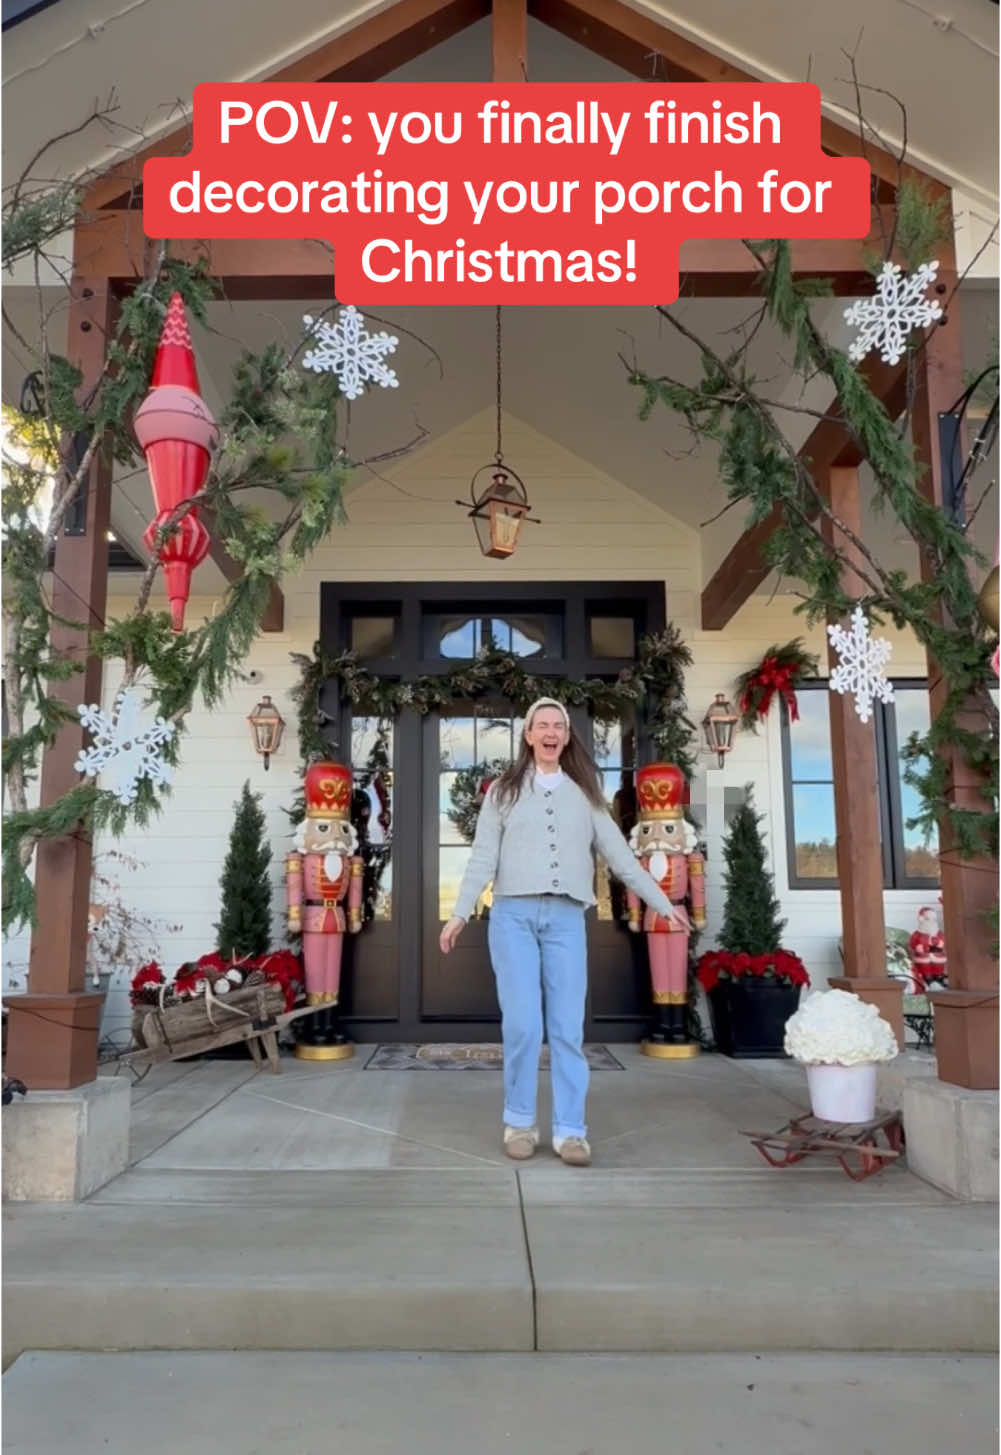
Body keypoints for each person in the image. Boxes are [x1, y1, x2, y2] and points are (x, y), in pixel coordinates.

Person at [440, 698, 679, 1167]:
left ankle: (571, 1131)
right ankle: (520, 1122)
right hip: (512, 917)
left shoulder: (585, 796)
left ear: (566, 738)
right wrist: (460, 912)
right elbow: (483, 858)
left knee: (568, 1029)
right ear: (528, 735)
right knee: (524, 1024)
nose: (550, 732)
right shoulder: (503, 793)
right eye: (541, 725)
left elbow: (621, 857)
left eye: (558, 726)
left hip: (567, 919)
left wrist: (664, 904)